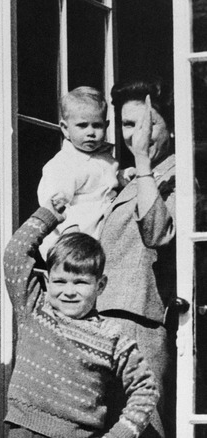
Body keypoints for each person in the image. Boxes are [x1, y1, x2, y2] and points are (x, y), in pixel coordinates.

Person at [4, 195, 159, 437]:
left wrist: (120, 434)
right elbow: (15, 255)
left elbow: (145, 389)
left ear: (100, 285)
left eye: (80, 282)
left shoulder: (112, 337)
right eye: (60, 281)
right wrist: (47, 216)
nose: (68, 291)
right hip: (24, 429)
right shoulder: (34, 308)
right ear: (47, 281)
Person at [97, 77, 177, 438]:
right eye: (128, 125)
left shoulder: (177, 172)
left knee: (143, 428)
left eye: (146, 124)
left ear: (171, 128)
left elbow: (159, 232)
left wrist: (143, 162)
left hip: (140, 324)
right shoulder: (130, 178)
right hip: (104, 319)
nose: (135, 136)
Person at [37, 86, 119, 257]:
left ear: (107, 126)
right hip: (72, 239)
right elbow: (56, 203)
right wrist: (71, 229)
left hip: (100, 236)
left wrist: (124, 177)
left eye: (97, 125)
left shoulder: (106, 158)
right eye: (82, 126)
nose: (90, 132)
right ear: (65, 128)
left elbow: (108, 181)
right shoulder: (63, 164)